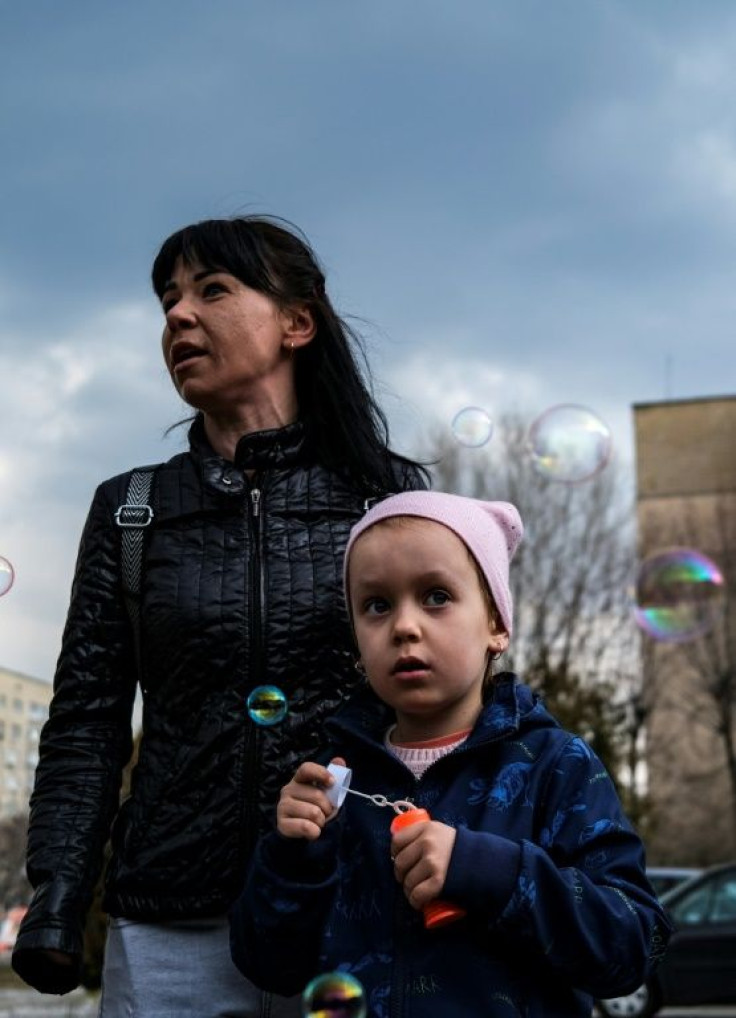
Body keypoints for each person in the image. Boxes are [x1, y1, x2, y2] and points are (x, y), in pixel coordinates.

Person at [11, 216, 427, 1016]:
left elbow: (440, 699)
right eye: (167, 298)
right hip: (171, 924)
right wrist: (60, 892)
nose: (176, 316)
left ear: (297, 322)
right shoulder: (131, 510)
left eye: (212, 290)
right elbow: (87, 723)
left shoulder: (386, 501)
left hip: (346, 905)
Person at [231, 490, 672, 1018]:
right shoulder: (335, 779)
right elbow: (268, 966)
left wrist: (488, 870)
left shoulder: (555, 765)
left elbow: (632, 945)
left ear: (496, 626)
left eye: (436, 596)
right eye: (376, 605)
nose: (405, 626)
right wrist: (293, 858)